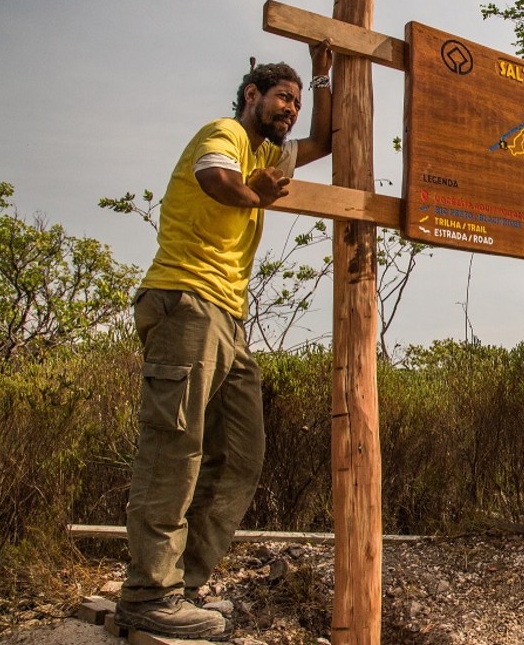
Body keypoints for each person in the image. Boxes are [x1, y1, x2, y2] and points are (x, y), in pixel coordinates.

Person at [115, 42, 333, 639]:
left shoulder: (272, 155)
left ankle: (180, 587)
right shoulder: (227, 136)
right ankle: (147, 593)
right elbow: (215, 180)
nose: (289, 108)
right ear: (250, 95)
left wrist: (323, 74)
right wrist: (252, 194)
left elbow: (330, 140)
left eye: (295, 101)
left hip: (229, 320)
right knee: (174, 446)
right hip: (185, 300)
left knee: (241, 452)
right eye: (281, 96)